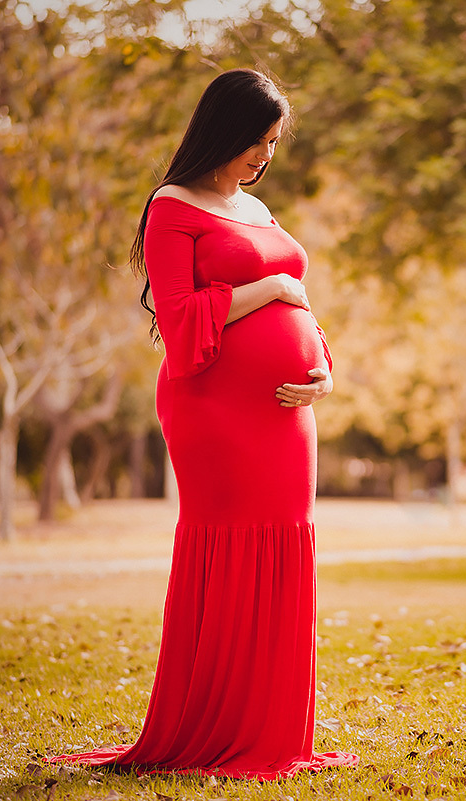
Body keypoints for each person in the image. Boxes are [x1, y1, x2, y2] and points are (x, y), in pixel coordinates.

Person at [49, 68, 358, 780]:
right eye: (257, 140)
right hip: (215, 411)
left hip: (287, 416)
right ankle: (218, 725)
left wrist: (323, 366)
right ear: (224, 130)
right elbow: (182, 320)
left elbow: (299, 304)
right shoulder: (172, 206)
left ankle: (273, 728)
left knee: (286, 546)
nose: (265, 155)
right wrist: (271, 286)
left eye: (273, 143)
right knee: (231, 550)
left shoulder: (259, 208)